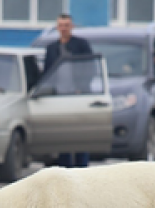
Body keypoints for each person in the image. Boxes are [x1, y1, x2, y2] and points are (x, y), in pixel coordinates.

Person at [43, 13, 93, 168]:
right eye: (61, 25)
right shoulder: (52, 48)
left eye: (66, 25)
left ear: (71, 27)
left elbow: (90, 68)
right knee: (63, 136)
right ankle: (64, 169)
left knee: (81, 135)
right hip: (59, 98)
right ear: (57, 27)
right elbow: (47, 73)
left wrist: (81, 88)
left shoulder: (81, 45)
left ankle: (82, 168)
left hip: (79, 97)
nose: (63, 29)